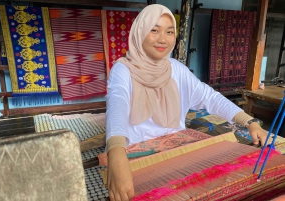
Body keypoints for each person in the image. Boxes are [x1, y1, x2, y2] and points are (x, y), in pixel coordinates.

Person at [105, 4, 271, 201]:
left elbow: (210, 97)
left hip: (179, 151)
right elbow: (117, 105)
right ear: (139, 32)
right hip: (138, 157)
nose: (162, 39)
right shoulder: (123, 70)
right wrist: (116, 155)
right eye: (154, 30)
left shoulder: (176, 69)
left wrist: (249, 122)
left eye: (169, 32)